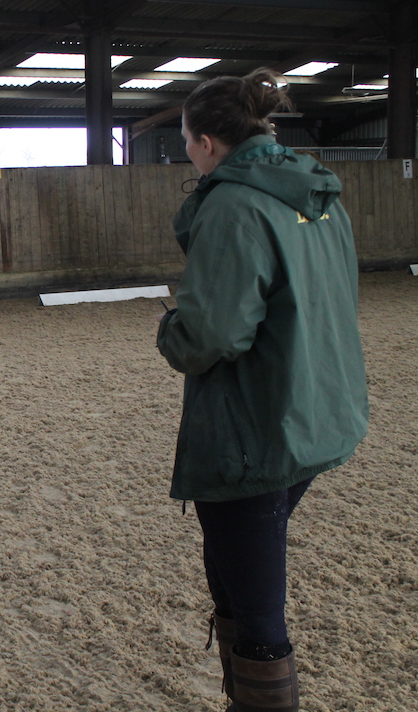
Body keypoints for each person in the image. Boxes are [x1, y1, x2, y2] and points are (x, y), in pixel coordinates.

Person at [156, 68, 368, 712]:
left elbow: (210, 335)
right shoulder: (316, 193)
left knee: (255, 605)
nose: (187, 151)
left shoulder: (233, 203)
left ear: (208, 144)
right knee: (230, 570)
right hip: (318, 407)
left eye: (187, 140)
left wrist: (172, 330)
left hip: (257, 424)